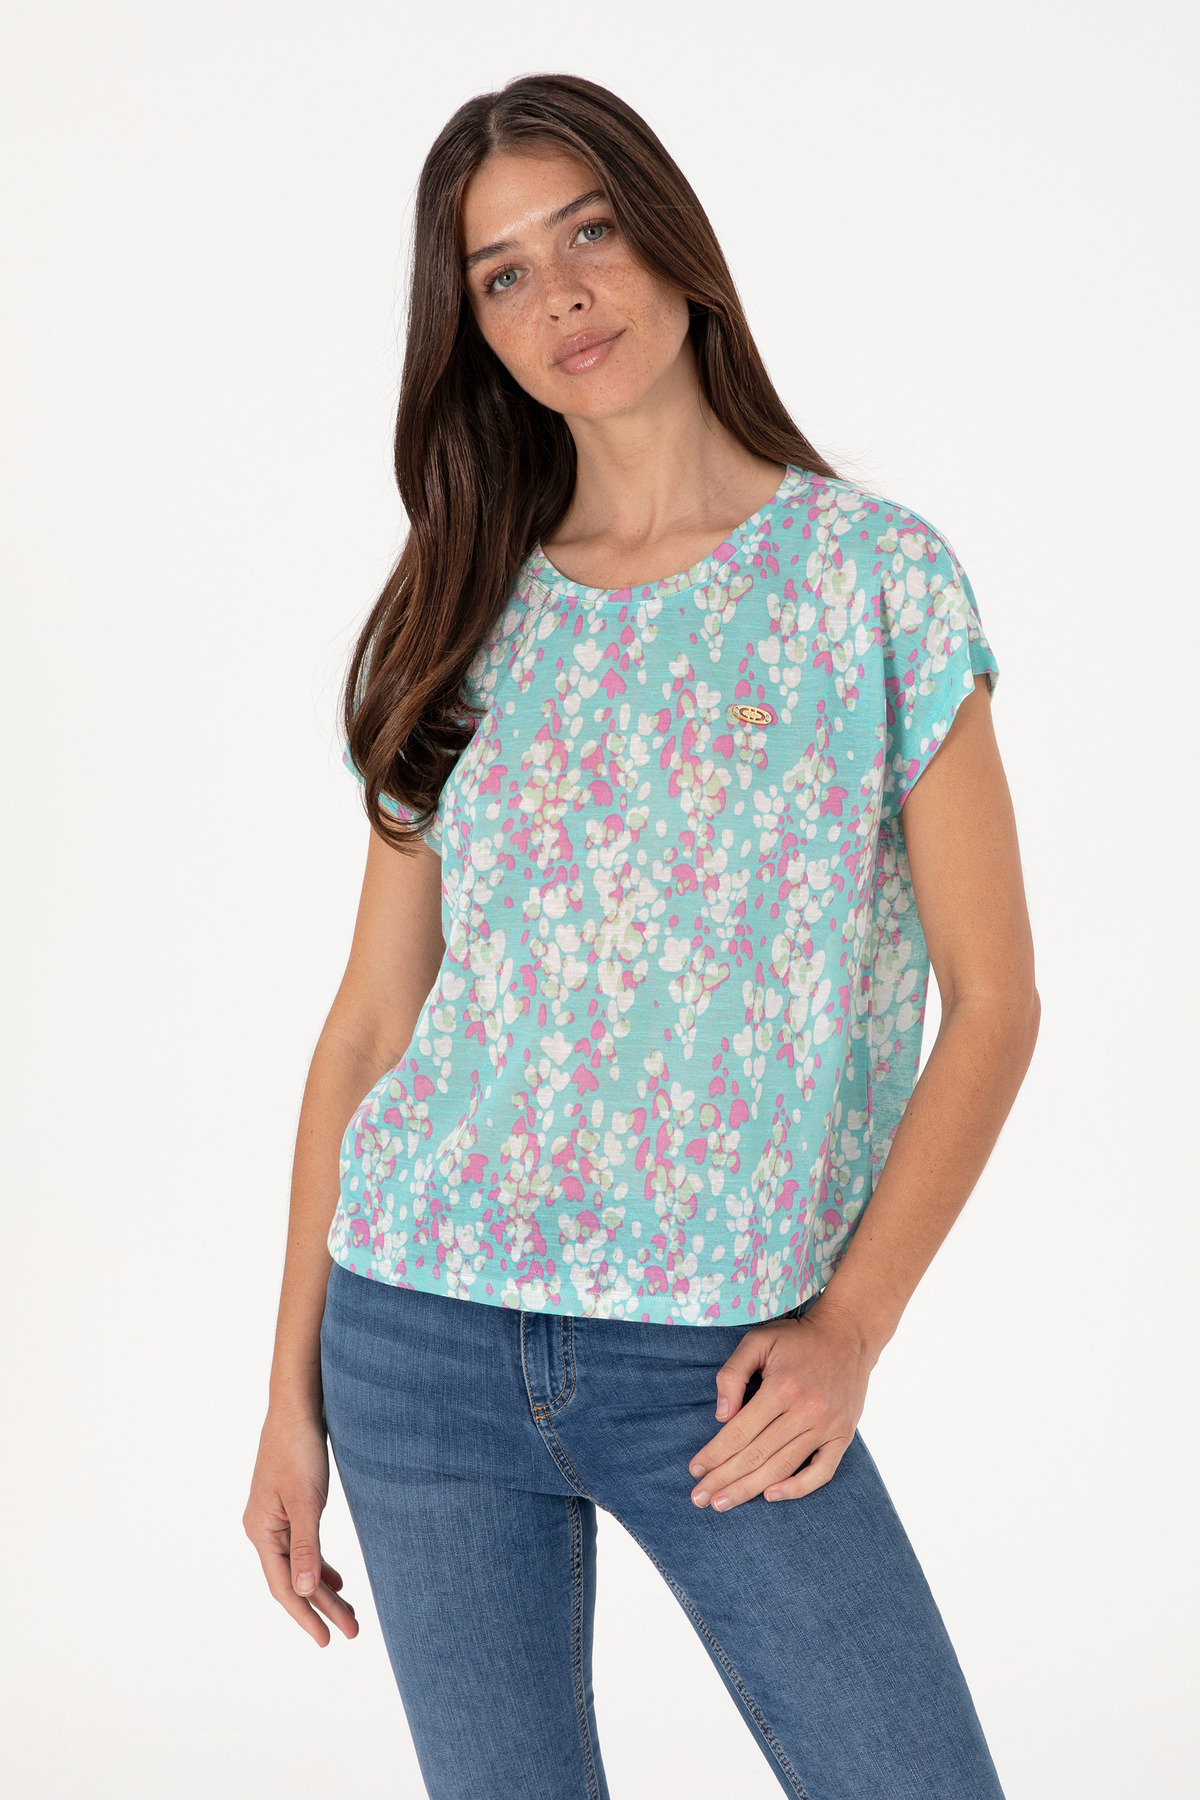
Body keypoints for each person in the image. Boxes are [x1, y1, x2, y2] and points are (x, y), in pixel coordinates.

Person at [243, 72, 1039, 1800]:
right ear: (475, 330)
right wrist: (287, 1396)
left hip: (721, 1359)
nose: (563, 297)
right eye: (504, 275)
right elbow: (372, 1025)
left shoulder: (873, 581)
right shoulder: (460, 602)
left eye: (589, 232)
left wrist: (853, 1328)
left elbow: (995, 1001)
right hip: (416, 1339)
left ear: (673, 244)